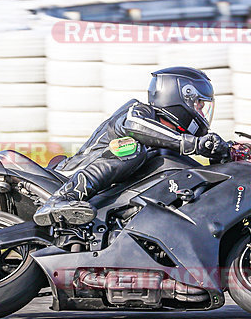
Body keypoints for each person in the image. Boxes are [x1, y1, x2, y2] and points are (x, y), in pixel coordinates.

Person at [33, 66, 229, 226]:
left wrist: (219, 155)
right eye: (199, 104)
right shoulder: (139, 112)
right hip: (68, 176)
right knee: (130, 148)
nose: (202, 112)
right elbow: (135, 126)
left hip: (109, 193)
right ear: (181, 97)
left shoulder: (172, 141)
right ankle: (62, 199)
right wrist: (191, 143)